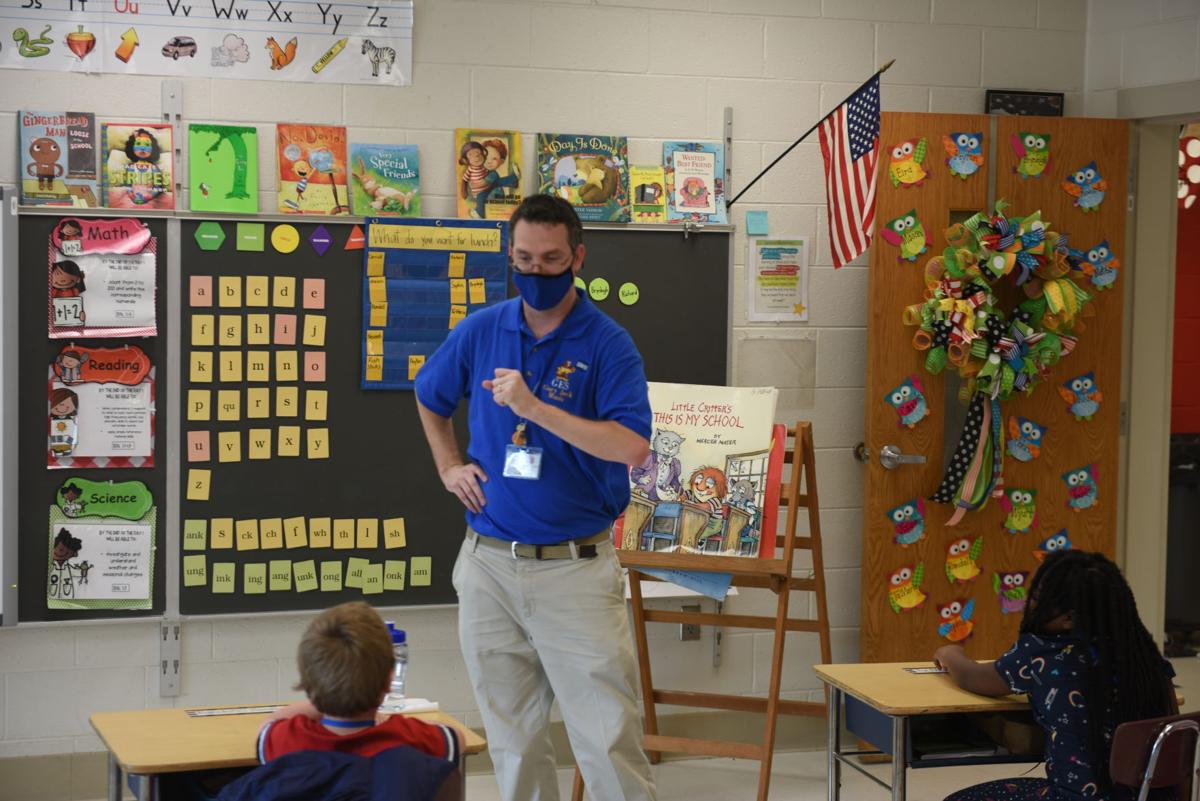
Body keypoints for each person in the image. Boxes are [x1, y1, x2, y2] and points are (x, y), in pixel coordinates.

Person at [414, 194, 656, 801]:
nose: (536, 271)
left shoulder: (608, 343)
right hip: (490, 563)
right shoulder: (482, 329)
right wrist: (448, 466)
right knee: (513, 743)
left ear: (577, 257)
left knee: (607, 740)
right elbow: (429, 394)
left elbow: (631, 447)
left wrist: (533, 408)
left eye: (550, 260)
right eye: (524, 259)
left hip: (575, 569)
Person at [933, 550, 1177, 801]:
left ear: (1069, 619)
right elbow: (1176, 740)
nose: (1029, 603)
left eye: (1036, 598)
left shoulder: (1041, 652)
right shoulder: (1146, 660)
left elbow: (971, 677)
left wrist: (950, 653)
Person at [256, 602, 462, 764]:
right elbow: (457, 738)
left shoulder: (288, 741)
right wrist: (388, 721)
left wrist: (324, 696)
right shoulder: (411, 740)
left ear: (307, 682)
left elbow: (268, 725)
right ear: (389, 681)